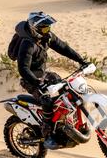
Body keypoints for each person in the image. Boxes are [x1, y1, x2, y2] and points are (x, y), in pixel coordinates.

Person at [10, 12, 89, 149]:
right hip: (31, 79)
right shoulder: (27, 44)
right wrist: (38, 83)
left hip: (44, 75)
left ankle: (67, 124)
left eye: (49, 28)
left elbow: (64, 48)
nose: (48, 31)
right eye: (45, 28)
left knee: (68, 89)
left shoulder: (47, 37)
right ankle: (49, 135)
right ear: (35, 29)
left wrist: (81, 61)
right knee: (46, 100)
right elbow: (23, 68)